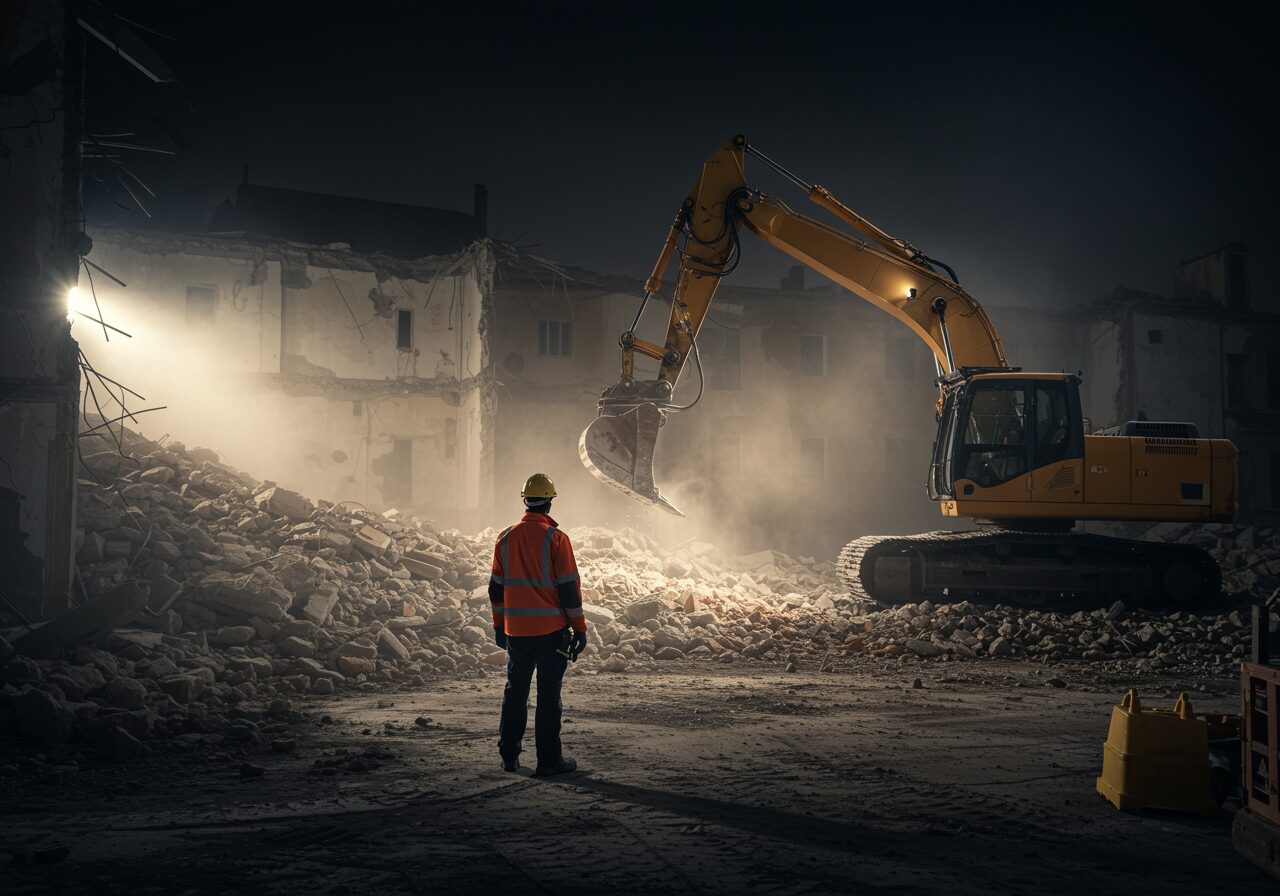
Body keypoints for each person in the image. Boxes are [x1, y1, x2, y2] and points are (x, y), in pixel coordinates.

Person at [490, 473, 588, 775]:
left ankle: (509, 756)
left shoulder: (505, 538)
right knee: (548, 697)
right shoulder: (556, 539)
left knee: (514, 693)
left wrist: (498, 626)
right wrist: (580, 629)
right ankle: (548, 761)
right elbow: (569, 589)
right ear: (549, 502)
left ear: (525, 501)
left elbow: (495, 588)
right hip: (550, 633)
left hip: (516, 633)